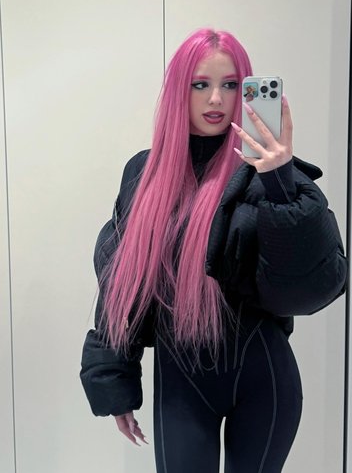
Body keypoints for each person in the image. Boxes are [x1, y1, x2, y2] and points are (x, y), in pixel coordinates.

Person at [80, 28, 347, 472]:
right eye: (200, 84)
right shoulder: (144, 176)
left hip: (264, 379)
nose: (216, 99)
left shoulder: (267, 174)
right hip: (181, 387)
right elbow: (119, 285)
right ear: (178, 91)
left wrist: (280, 179)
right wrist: (114, 381)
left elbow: (311, 285)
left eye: (231, 85)